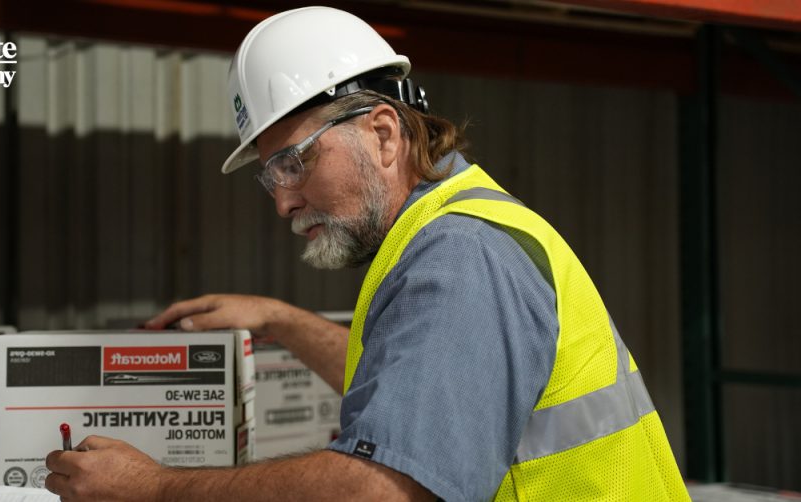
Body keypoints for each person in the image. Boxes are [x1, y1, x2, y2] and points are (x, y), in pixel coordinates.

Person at [45, 6, 689, 501]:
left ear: (382, 133)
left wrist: (155, 488)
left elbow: (382, 489)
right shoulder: (447, 228)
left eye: (295, 162)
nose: (283, 202)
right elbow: (419, 396)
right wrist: (280, 321)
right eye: (270, 176)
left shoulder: (459, 258)